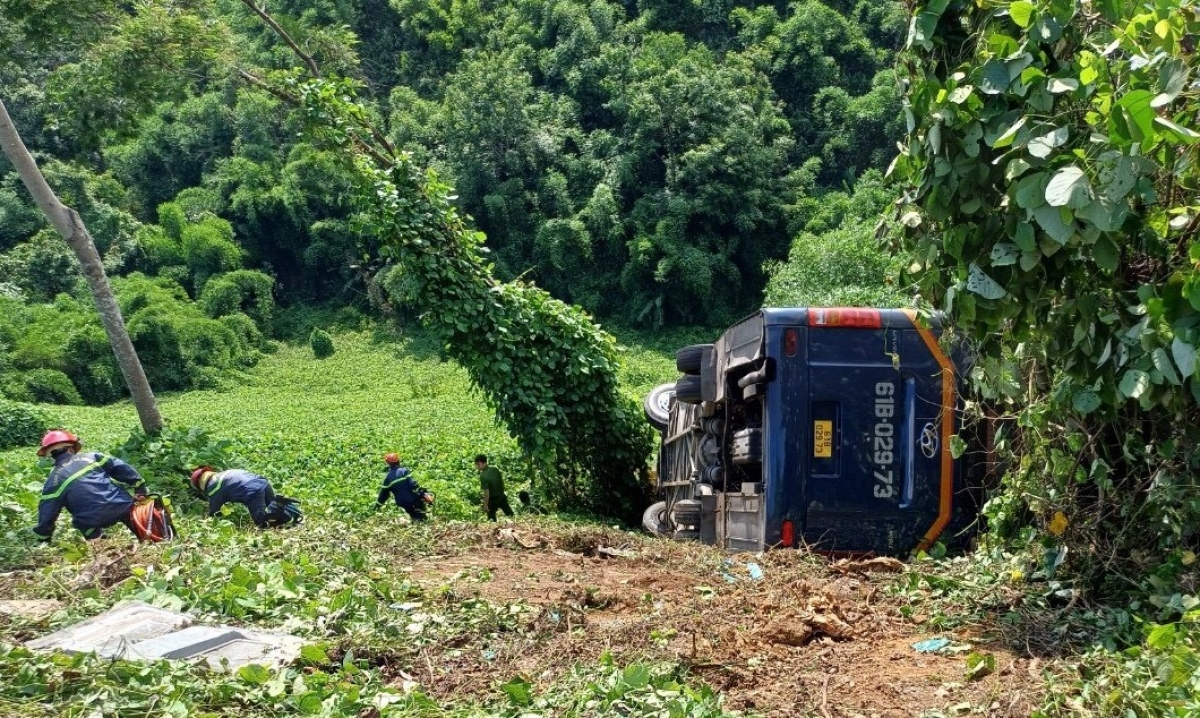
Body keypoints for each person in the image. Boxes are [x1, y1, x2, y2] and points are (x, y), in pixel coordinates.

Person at [32, 430, 149, 541]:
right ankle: (148, 537)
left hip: (91, 520)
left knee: (82, 524)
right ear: (72, 448)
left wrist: (43, 536)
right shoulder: (93, 457)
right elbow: (121, 468)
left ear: (51, 456)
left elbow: (47, 514)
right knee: (136, 518)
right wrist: (140, 488)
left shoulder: (52, 482)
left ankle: (102, 545)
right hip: (121, 505)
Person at [190, 466, 301, 528]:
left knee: (260, 521)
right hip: (262, 482)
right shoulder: (224, 474)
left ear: (200, 484)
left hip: (252, 492)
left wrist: (208, 521)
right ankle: (287, 510)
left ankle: (279, 504)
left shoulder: (212, 486)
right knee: (274, 512)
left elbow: (214, 512)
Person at [375, 452, 433, 521]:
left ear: (388, 463)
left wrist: (377, 507)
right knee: (421, 511)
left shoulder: (387, 478)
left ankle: (415, 519)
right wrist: (424, 494)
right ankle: (422, 518)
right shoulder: (403, 471)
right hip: (413, 499)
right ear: (398, 461)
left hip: (402, 503)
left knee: (412, 515)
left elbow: (383, 495)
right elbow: (413, 485)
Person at [475, 454, 512, 521]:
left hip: (493, 500)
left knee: (491, 518)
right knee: (510, 514)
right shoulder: (495, 469)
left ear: (480, 463)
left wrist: (485, 505)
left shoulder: (483, 475)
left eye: (476, 465)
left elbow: (487, 493)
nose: (476, 467)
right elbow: (502, 483)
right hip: (502, 496)